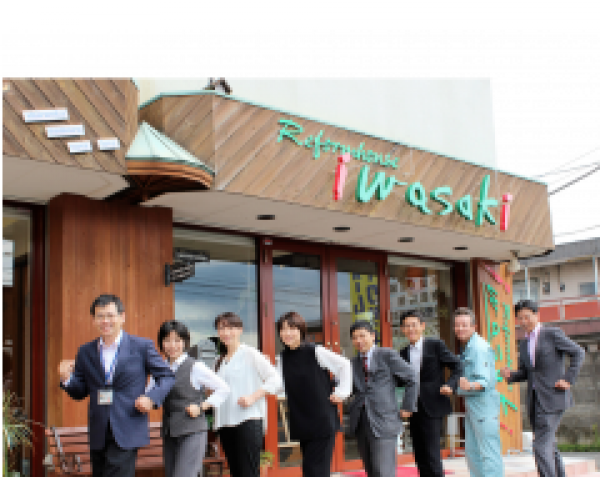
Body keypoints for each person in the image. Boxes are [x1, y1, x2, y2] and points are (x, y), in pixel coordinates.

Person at [58, 294, 175, 477]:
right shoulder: (85, 351)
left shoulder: (142, 347)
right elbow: (80, 392)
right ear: (93, 320)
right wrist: (67, 379)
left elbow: (167, 377)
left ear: (122, 317)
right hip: (99, 431)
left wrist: (151, 398)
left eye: (110, 315)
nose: (105, 321)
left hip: (127, 427)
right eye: (100, 316)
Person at [500, 299, 585, 477]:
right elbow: (527, 372)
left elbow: (578, 352)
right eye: (520, 318)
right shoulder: (524, 343)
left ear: (537, 315)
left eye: (527, 317)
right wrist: (511, 375)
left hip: (553, 398)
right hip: (535, 401)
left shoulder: (551, 334)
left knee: (540, 445)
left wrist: (568, 379)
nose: (523, 321)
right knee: (548, 446)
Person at [277, 311, 352, 477]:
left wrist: (342, 393)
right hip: (301, 421)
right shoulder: (283, 357)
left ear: (301, 330)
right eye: (283, 329)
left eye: (292, 328)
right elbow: (278, 386)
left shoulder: (315, 351)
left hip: (321, 421)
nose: (287, 333)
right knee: (310, 470)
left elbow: (344, 365)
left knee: (315, 470)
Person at [157, 320, 230, 477]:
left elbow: (224, 389)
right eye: (167, 340)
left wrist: (202, 406)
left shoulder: (195, 367)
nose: (172, 345)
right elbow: (150, 393)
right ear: (161, 343)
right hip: (170, 433)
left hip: (192, 432)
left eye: (177, 340)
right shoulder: (161, 367)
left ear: (185, 342)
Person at [213, 312, 283, 477]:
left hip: (248, 421)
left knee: (248, 473)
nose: (226, 332)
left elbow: (276, 380)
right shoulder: (219, 361)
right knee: (236, 473)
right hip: (225, 424)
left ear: (240, 330)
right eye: (221, 328)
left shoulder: (250, 354)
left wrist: (253, 397)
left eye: (231, 328)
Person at [348, 320, 419, 477]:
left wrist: (408, 406)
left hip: (384, 421)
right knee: (371, 471)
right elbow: (348, 388)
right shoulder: (353, 362)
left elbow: (412, 377)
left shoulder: (386, 355)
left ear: (373, 336)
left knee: (384, 472)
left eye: (362, 336)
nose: (358, 341)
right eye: (354, 338)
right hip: (361, 421)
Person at [399, 309, 462, 477]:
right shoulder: (403, 353)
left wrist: (450, 385)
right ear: (402, 329)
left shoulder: (435, 345)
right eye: (407, 326)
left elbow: (457, 365)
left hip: (433, 405)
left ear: (422, 326)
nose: (411, 329)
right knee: (420, 454)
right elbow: (400, 380)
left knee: (432, 454)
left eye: (414, 325)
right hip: (413, 408)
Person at [453, 307, 504, 477]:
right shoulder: (468, 346)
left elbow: (485, 381)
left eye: (464, 325)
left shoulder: (478, 348)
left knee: (488, 453)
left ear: (474, 327)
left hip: (483, 407)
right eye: (457, 325)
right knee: (473, 453)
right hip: (473, 406)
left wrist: (469, 386)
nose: (460, 328)